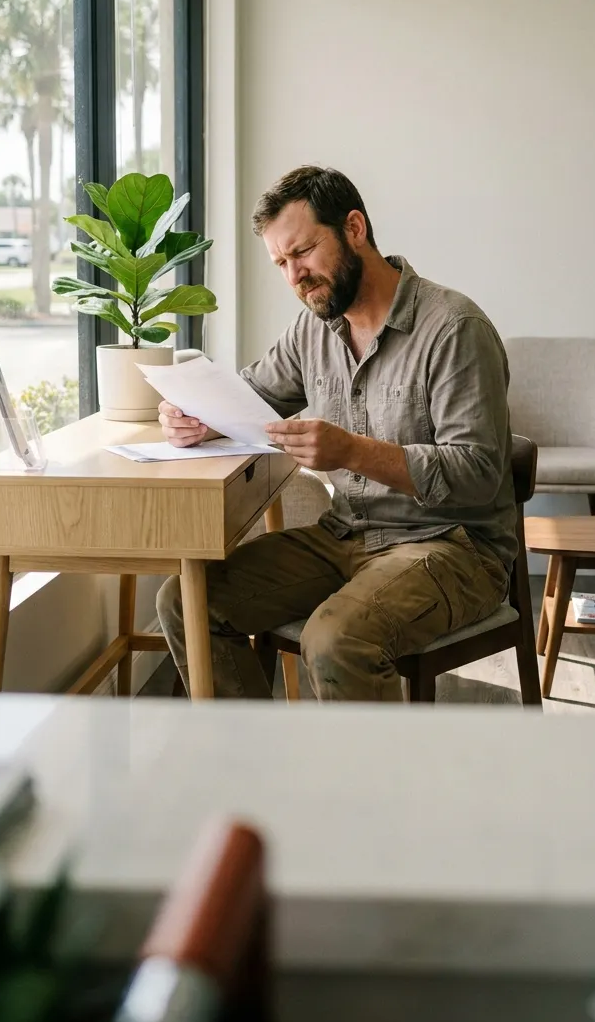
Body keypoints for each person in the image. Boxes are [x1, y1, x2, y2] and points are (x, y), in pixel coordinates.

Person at [156, 165, 516, 702]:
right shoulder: (314, 328)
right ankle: (250, 772)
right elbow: (251, 399)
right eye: (281, 263)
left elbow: (478, 475)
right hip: (345, 534)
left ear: (354, 228)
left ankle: (356, 788)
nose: (294, 276)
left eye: (301, 252)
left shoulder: (455, 329)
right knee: (186, 600)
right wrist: (193, 415)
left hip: (454, 548)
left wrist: (352, 451)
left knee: (334, 641)